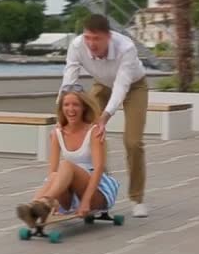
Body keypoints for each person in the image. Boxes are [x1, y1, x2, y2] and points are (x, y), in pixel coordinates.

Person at [58, 14, 149, 218]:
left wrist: (105, 116)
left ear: (108, 36)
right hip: (102, 84)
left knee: (133, 142)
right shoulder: (77, 45)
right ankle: (100, 190)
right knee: (88, 133)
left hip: (134, 87)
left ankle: (137, 198)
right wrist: (60, 112)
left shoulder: (126, 48)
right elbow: (69, 79)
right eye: (88, 38)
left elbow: (121, 85)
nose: (91, 43)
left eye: (96, 38)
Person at [16, 85, 120, 227]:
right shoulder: (57, 133)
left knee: (65, 164)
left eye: (75, 105)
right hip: (69, 193)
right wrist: (57, 196)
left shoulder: (94, 131)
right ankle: (34, 208)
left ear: (84, 107)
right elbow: (52, 172)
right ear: (62, 109)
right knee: (54, 175)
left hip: (95, 192)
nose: (70, 109)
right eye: (66, 105)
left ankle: (43, 203)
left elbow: (99, 169)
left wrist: (86, 202)